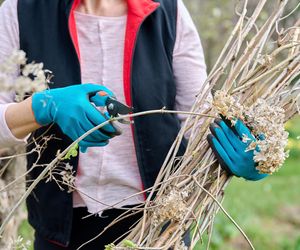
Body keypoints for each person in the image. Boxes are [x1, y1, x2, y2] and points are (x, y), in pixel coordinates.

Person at [0, 0, 267, 249]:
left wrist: (255, 151)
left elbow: (198, 118)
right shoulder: (22, 10)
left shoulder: (167, 11)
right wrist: (42, 107)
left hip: (160, 225)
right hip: (59, 232)